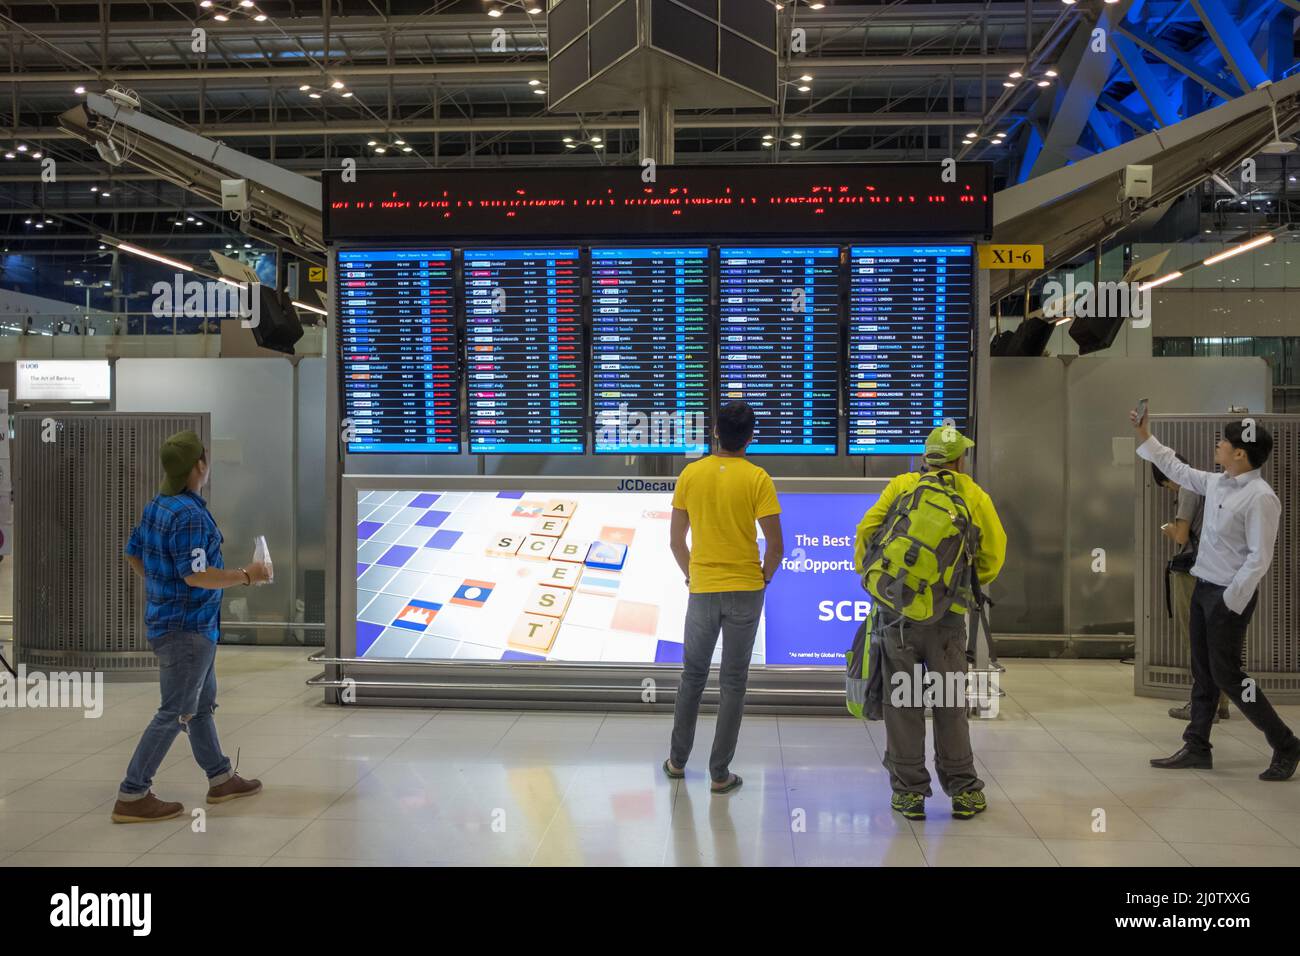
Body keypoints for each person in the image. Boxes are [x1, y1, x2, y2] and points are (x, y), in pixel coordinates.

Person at [111, 430, 270, 823]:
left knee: (200, 706)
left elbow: (133, 553)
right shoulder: (190, 515)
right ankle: (132, 794)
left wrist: (161, 585)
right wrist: (247, 576)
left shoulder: (159, 506)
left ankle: (220, 778)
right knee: (175, 712)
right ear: (200, 465)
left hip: (176, 624)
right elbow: (197, 576)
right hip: (188, 630)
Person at [1133, 409, 1300, 781]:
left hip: (1228, 597)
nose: (1218, 445)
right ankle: (1197, 745)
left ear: (1240, 453)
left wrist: (1230, 600)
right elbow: (1178, 471)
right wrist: (1146, 434)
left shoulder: (1261, 497)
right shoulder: (1219, 482)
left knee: (1230, 677)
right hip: (1203, 588)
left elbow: (1259, 559)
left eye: (1224, 442)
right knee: (1203, 672)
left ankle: (1285, 742)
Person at [853, 425, 1006, 820]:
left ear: (927, 457)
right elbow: (994, 554)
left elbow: (867, 531)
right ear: (959, 460)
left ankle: (908, 792)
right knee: (949, 701)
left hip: (897, 614)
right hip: (948, 618)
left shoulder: (902, 485)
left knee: (902, 701)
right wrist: (962, 584)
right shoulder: (973, 494)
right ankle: (963, 790)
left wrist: (881, 585)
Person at [664, 402, 783, 795]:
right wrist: (761, 580)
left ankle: (677, 761)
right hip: (746, 590)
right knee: (733, 682)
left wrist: (690, 575)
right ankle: (719, 774)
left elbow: (676, 541)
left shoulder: (690, 474)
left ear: (715, 431)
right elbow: (776, 547)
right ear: (750, 438)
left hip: (702, 589)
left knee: (692, 677)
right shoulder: (758, 478)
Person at [1151, 457, 1228, 722]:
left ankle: (1202, 705)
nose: (1172, 490)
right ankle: (1221, 701)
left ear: (1168, 477)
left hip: (1192, 571)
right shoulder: (1211, 484)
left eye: (1167, 486)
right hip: (1217, 569)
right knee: (1216, 638)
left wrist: (1167, 529)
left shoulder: (1187, 488)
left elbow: (1182, 536)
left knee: (1194, 638)